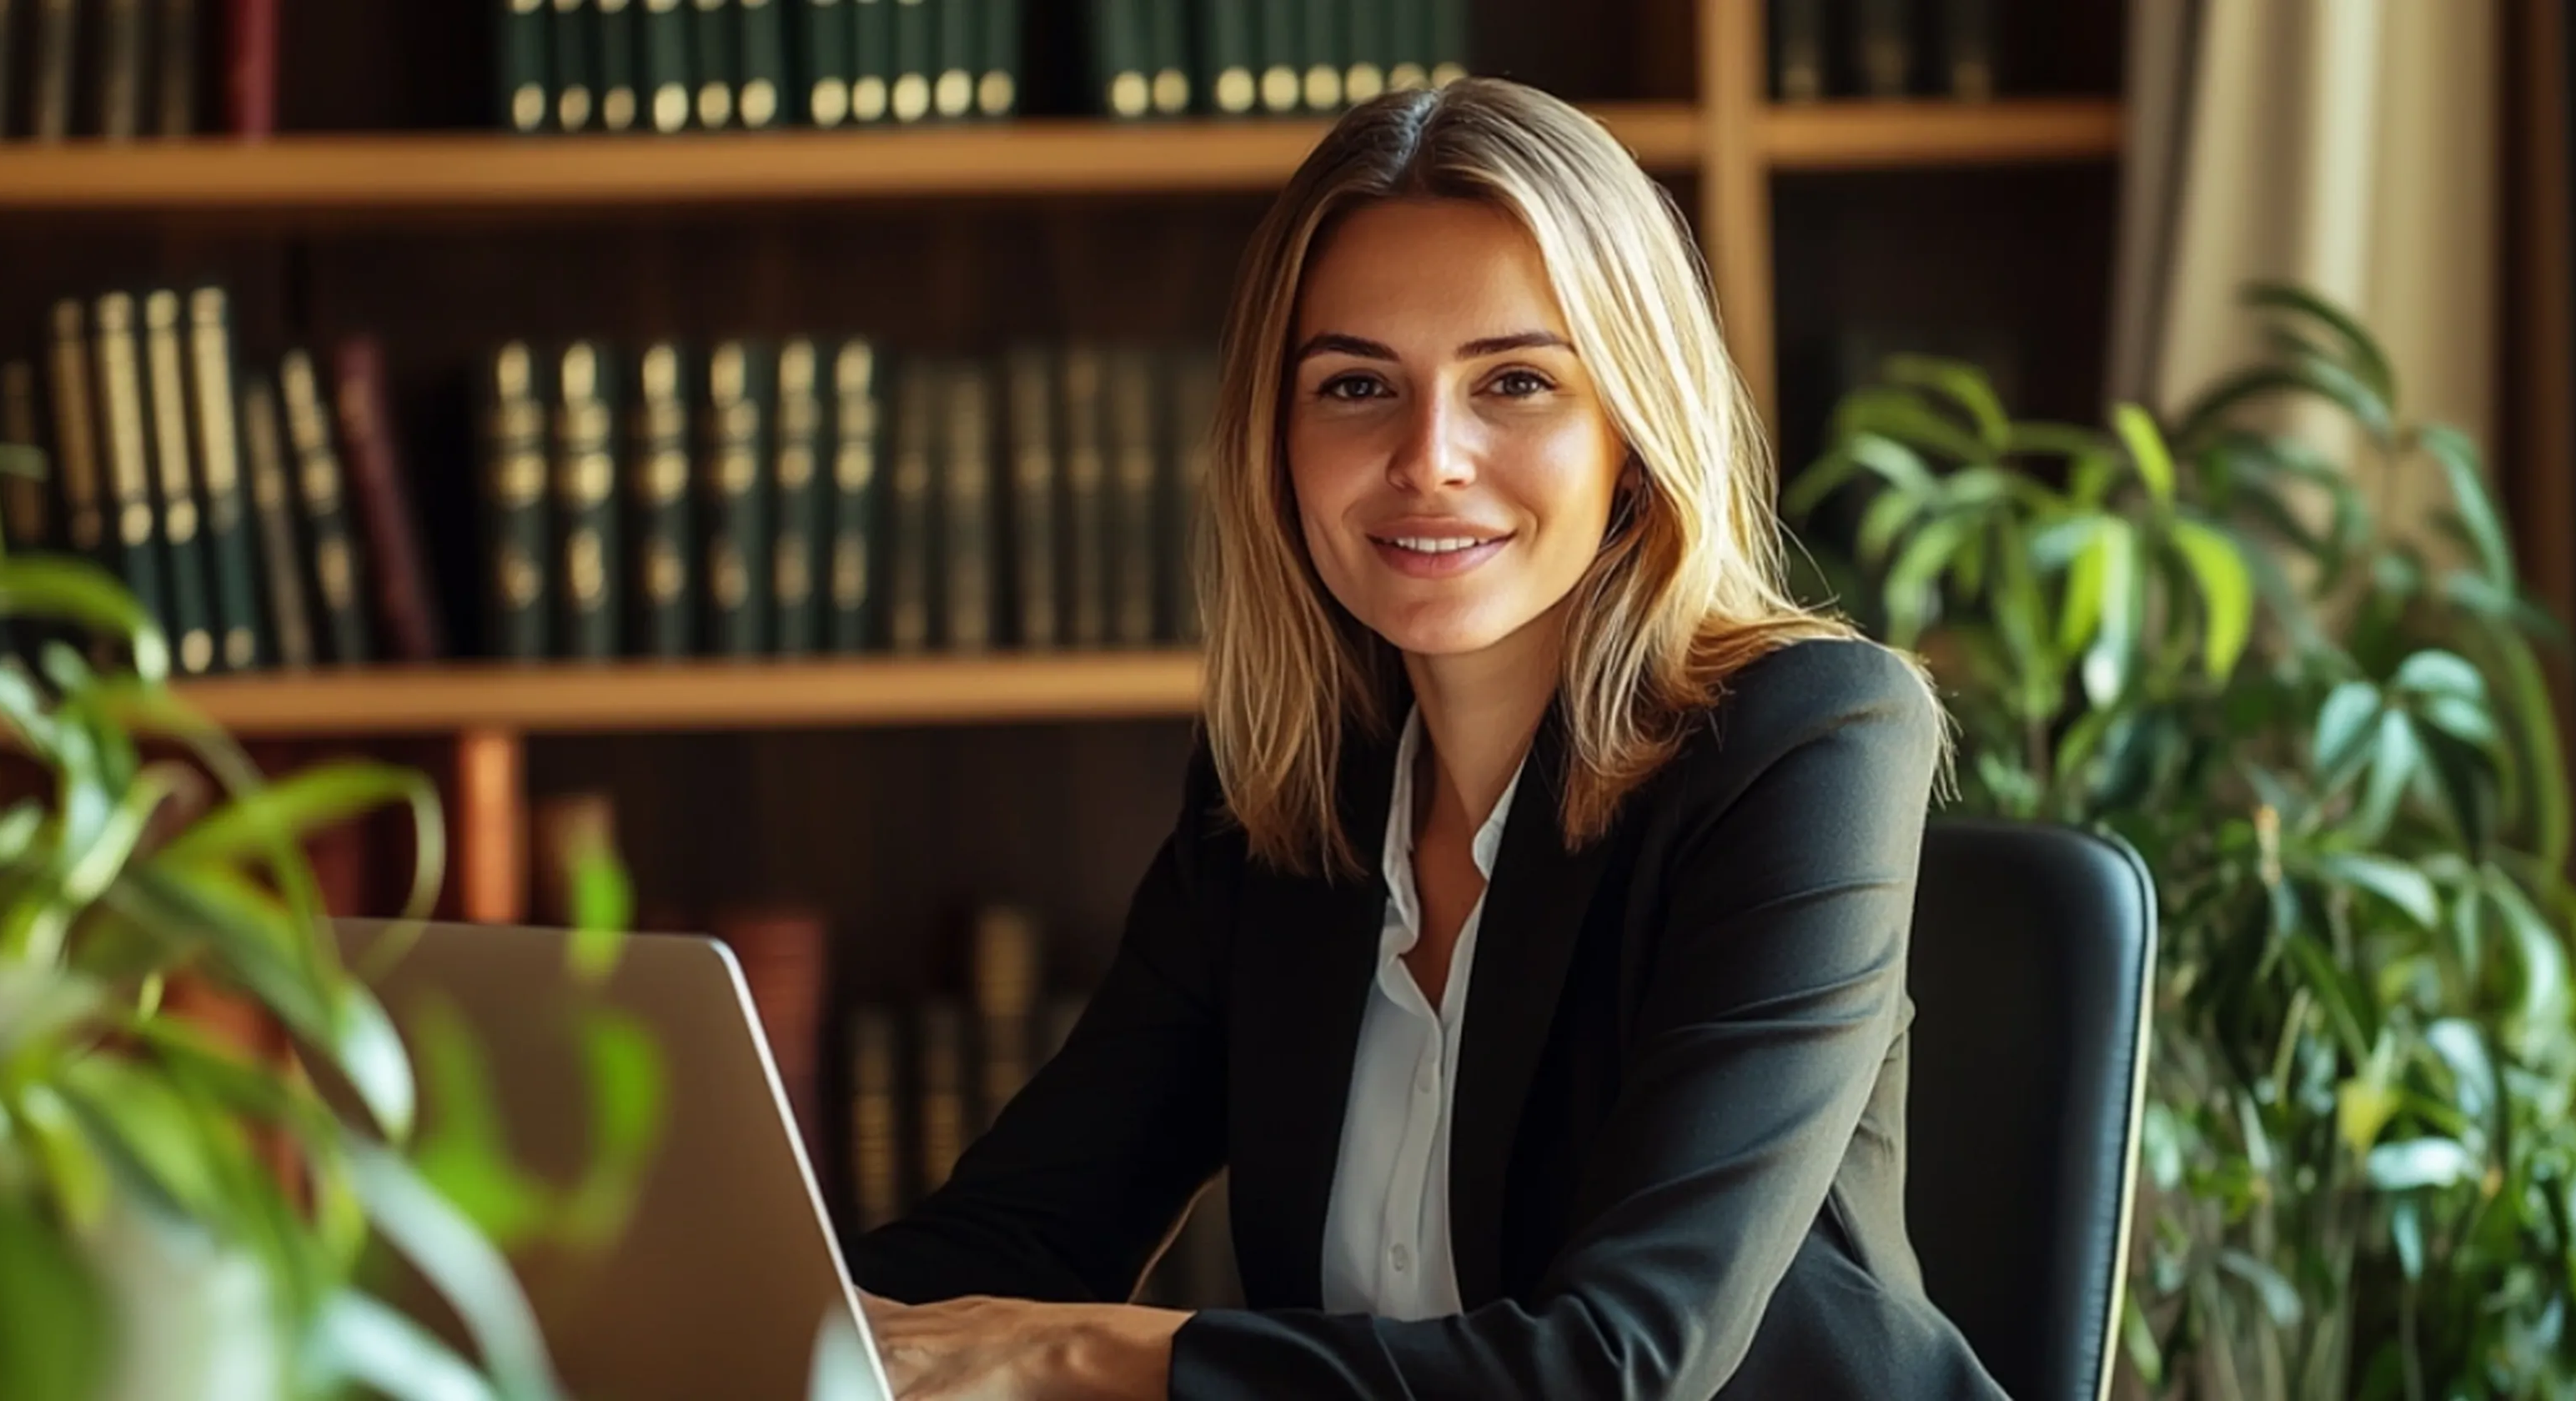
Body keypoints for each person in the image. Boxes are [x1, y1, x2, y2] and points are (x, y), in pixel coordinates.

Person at [850, 76, 2006, 1400]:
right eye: (1355, 385)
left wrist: (1082, 1350)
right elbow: (1017, 1235)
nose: (1431, 458)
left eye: (1514, 382)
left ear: (1630, 431)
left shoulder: (1810, 742)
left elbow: (1612, 1368)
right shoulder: (1280, 803)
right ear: (1276, 443)